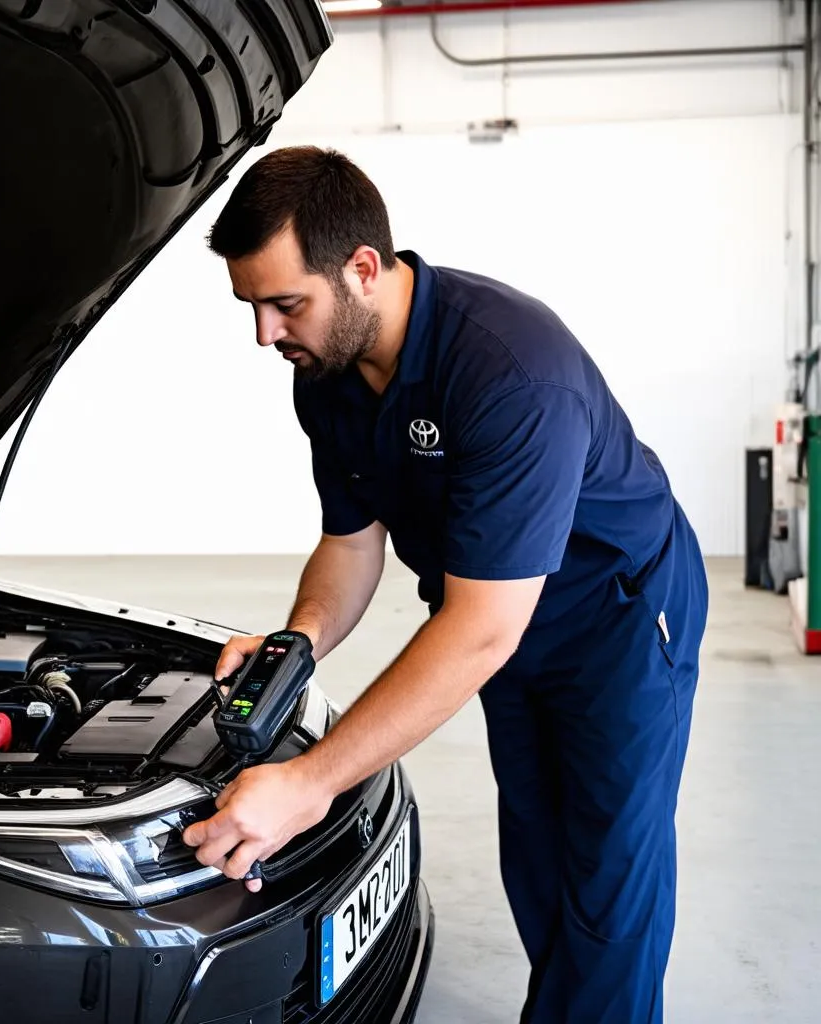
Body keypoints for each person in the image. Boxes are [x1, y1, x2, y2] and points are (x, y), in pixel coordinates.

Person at [181, 145, 708, 1023]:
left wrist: (312, 782)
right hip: (502, 620)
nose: (266, 335)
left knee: (609, 881)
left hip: (616, 618)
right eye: (253, 307)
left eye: (285, 304)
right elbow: (350, 549)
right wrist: (296, 644)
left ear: (361, 269)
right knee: (540, 858)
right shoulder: (326, 378)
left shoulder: (509, 370)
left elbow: (479, 630)